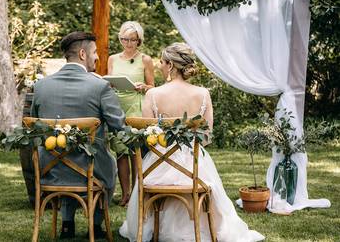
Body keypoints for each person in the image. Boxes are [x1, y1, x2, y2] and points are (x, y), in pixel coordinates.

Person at [119, 43, 265, 242]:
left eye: (162, 62)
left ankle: (155, 228)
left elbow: (148, 137)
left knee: (152, 176)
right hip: (194, 164)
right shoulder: (202, 93)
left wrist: (167, 148)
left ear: (170, 65)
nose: (160, 66)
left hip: (158, 165)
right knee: (205, 179)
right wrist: (184, 150)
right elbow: (207, 137)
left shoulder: (153, 94)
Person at [31, 31, 125, 239]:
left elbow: (35, 126)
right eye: (95, 52)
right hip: (90, 171)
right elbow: (119, 126)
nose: (98, 57)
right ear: (83, 54)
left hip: (50, 170)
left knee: (64, 154)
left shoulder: (40, 86)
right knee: (107, 160)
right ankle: (96, 223)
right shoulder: (100, 86)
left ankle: (67, 223)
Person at [108, 21, 154, 206]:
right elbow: (109, 81)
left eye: (132, 40)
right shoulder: (113, 59)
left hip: (137, 105)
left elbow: (152, 86)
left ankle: (137, 193)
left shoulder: (145, 59)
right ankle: (125, 193)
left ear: (139, 41)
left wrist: (144, 87)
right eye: (124, 39)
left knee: (135, 149)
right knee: (120, 150)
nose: (128, 43)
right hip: (117, 105)